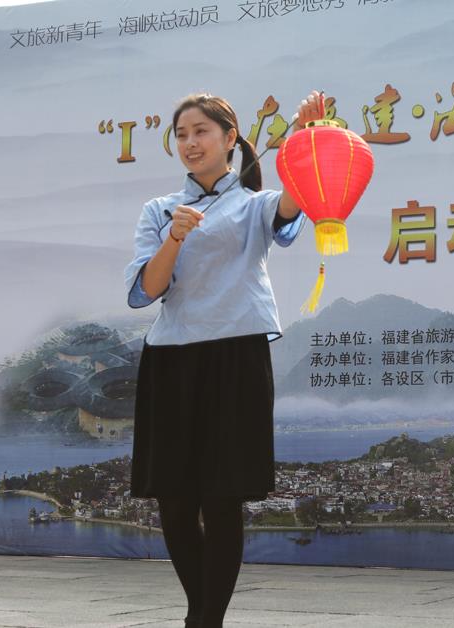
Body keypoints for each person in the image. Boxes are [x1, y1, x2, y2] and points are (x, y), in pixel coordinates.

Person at [124, 90, 322, 627]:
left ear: (230, 138)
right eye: (181, 134)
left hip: (237, 359)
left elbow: (293, 207)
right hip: (171, 360)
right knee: (174, 500)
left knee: (222, 498)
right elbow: (146, 290)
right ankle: (202, 617)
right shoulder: (159, 210)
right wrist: (174, 237)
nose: (190, 143)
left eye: (201, 132)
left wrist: (306, 135)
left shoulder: (254, 204)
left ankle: (204, 621)